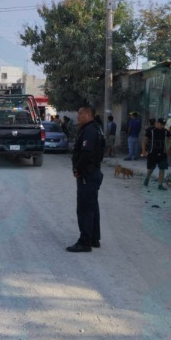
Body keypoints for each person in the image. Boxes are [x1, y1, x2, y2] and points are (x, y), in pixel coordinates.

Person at [67, 104, 105, 253]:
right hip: (93, 172)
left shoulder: (89, 130)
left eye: (80, 114)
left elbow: (86, 153)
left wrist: (78, 169)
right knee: (92, 206)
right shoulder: (95, 128)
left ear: (88, 114)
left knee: (84, 209)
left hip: (87, 174)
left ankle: (85, 242)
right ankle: (94, 238)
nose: (78, 116)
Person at [142, 118, 171, 191]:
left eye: (164, 125)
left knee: (162, 169)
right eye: (161, 124)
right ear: (157, 123)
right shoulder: (151, 130)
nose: (162, 126)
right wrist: (143, 150)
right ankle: (147, 178)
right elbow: (144, 141)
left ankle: (160, 185)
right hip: (152, 152)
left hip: (162, 153)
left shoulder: (165, 131)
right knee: (151, 168)